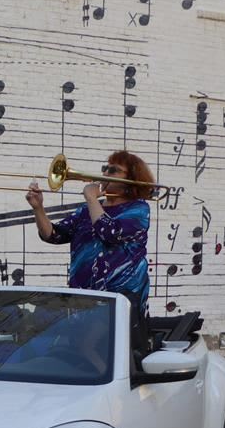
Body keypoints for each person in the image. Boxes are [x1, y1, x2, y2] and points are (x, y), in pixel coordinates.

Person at [26, 150, 153, 356]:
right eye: (106, 168)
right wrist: (38, 208)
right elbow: (54, 235)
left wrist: (91, 198)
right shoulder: (86, 211)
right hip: (85, 297)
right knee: (79, 351)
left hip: (120, 297)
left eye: (114, 170)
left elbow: (109, 233)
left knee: (98, 350)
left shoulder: (138, 209)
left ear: (131, 179)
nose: (106, 173)